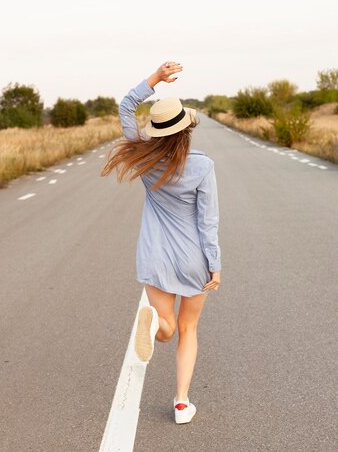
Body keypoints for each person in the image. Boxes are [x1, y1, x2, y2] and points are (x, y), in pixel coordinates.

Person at [101, 61, 221, 425]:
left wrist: (155, 77)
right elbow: (208, 221)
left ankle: (155, 327)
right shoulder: (202, 166)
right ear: (187, 129)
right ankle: (182, 404)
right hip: (193, 258)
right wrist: (214, 264)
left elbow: (125, 106)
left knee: (168, 327)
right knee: (190, 330)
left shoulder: (145, 155)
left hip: (155, 256)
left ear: (156, 130)